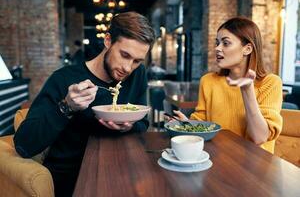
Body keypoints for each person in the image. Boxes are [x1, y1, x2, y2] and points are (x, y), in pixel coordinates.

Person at [13, 12, 155, 196]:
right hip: (71, 178)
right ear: (108, 40)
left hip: (121, 170)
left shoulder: (138, 74)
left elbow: (143, 123)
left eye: (136, 61)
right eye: (124, 55)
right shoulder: (64, 79)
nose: (128, 68)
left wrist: (128, 126)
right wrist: (66, 107)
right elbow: (24, 144)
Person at [173, 17, 282, 154]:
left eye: (225, 43)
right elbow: (203, 123)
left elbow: (259, 137)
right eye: (217, 43)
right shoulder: (208, 81)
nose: (217, 48)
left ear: (247, 49)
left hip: (254, 166)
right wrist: (187, 124)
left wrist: (247, 90)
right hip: (216, 159)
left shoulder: (271, 83)